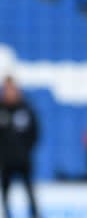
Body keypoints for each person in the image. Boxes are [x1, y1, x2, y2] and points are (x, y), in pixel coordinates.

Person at [0, 75, 39, 218]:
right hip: (5, 161)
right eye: (7, 89)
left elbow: (35, 133)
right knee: (5, 192)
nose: (9, 92)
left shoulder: (26, 109)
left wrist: (25, 151)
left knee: (29, 191)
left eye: (12, 89)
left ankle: (35, 214)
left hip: (23, 160)